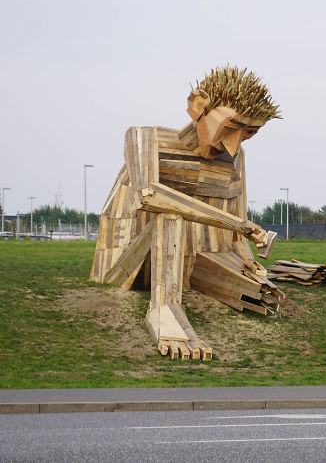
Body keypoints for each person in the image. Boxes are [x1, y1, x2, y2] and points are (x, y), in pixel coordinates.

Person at [90, 65, 283, 360]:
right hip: (130, 264)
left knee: (259, 290)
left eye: (249, 133)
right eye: (230, 127)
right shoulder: (145, 138)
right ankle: (164, 308)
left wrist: (247, 258)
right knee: (168, 212)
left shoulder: (235, 159)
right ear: (198, 106)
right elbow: (149, 196)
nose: (233, 146)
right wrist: (237, 224)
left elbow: (237, 224)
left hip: (196, 263)